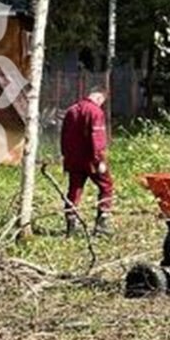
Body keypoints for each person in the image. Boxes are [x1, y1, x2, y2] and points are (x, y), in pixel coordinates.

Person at [60, 87, 114, 236]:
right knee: (107, 185)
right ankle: (102, 224)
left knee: (74, 189)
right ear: (99, 98)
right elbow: (97, 137)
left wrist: (65, 155)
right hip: (90, 160)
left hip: (73, 159)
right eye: (102, 102)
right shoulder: (95, 112)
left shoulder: (71, 110)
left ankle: (71, 225)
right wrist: (100, 160)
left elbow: (64, 136)